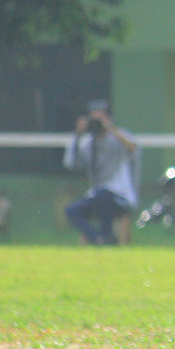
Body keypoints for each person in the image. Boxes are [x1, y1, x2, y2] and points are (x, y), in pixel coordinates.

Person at [62, 99, 139, 245]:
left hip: (119, 197)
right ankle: (99, 239)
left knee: (104, 195)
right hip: (97, 195)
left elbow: (133, 149)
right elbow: (71, 163)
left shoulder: (117, 138)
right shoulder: (87, 143)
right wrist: (77, 135)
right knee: (72, 210)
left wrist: (110, 128)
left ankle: (107, 236)